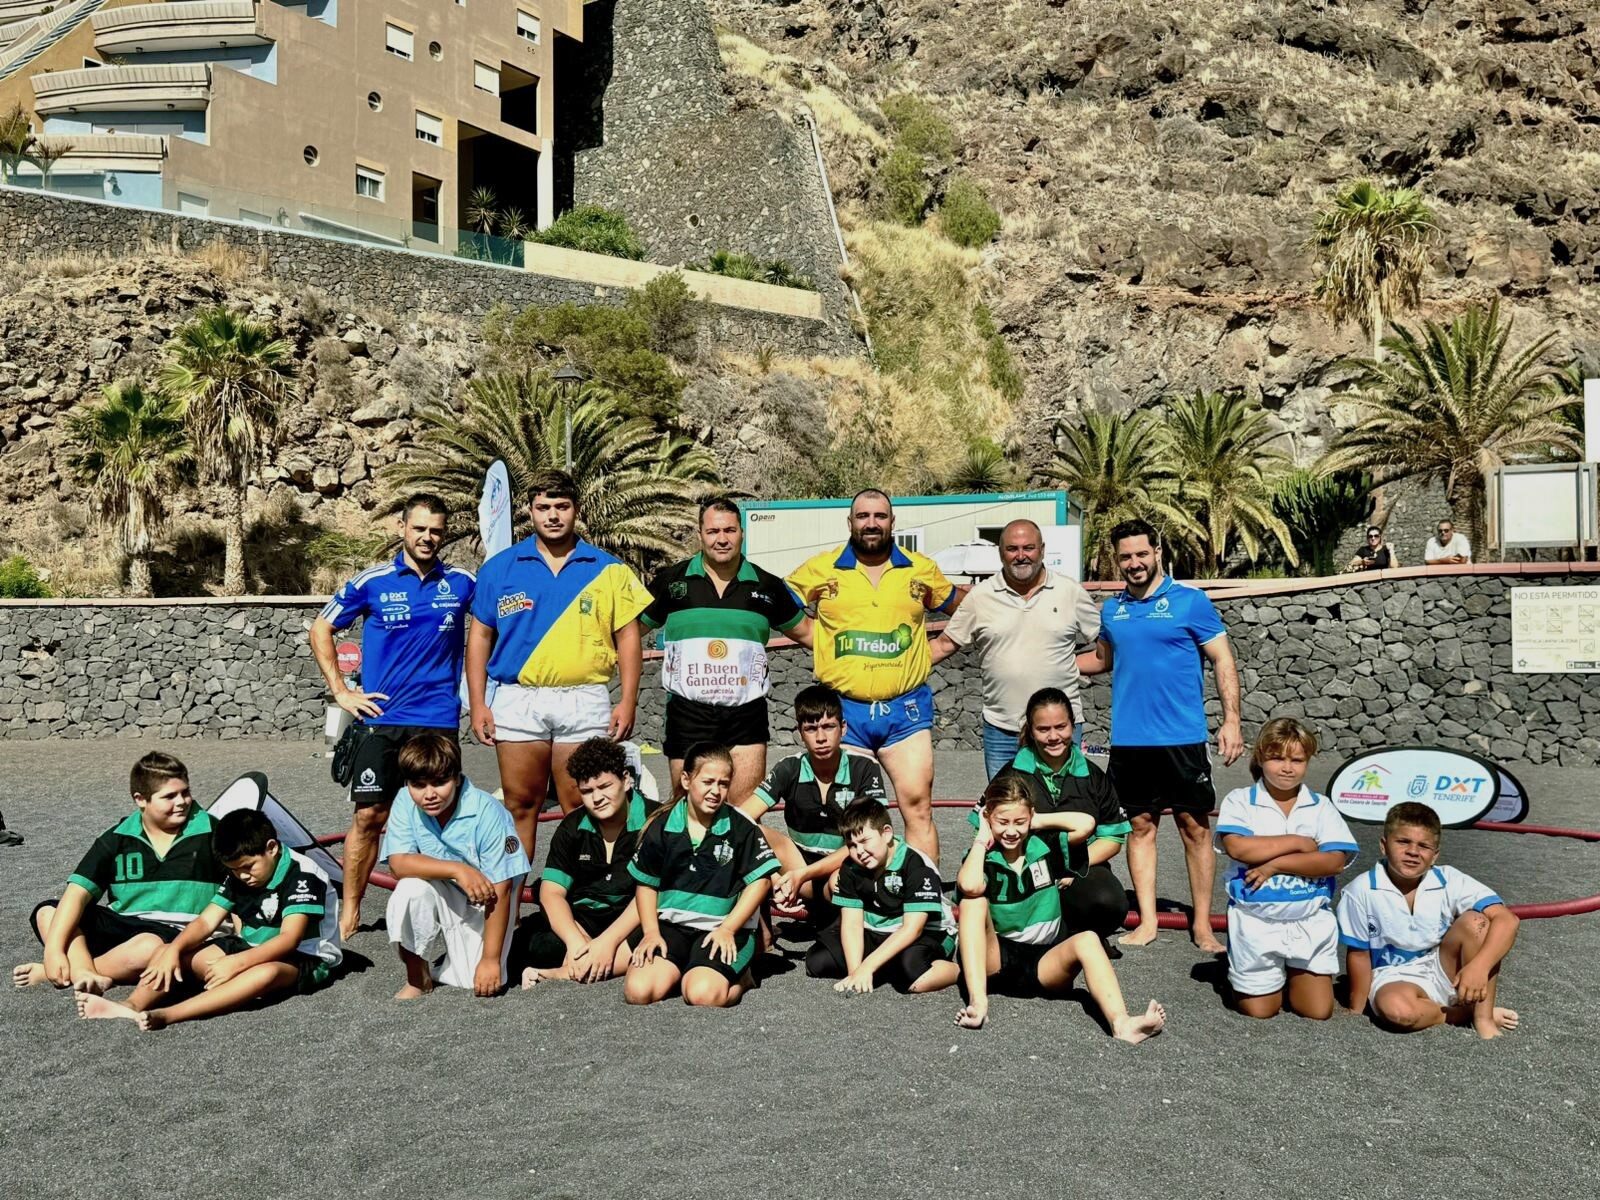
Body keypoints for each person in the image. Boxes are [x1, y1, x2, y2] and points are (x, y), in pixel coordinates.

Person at [310, 493, 476, 941]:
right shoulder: (373, 581)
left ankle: (450, 908)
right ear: (402, 528)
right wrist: (342, 692)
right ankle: (351, 909)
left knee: (443, 814)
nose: (428, 537)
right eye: (419, 528)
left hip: (438, 720)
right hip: (382, 719)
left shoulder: (462, 582)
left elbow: (493, 629)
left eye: (436, 530)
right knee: (370, 817)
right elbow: (321, 628)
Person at [466, 469, 653, 857]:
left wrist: (628, 700)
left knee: (583, 805)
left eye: (561, 507)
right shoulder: (500, 568)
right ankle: (513, 903)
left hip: (584, 699)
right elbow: (480, 637)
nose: (552, 515)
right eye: (543, 507)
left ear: (576, 510)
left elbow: (629, 638)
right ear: (529, 512)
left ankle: (583, 903)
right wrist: (479, 703)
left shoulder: (609, 569)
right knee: (520, 805)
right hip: (517, 699)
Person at [1077, 518, 1243, 953]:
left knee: (1195, 828)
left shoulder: (1191, 603)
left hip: (1182, 741)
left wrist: (1231, 721)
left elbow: (1223, 661)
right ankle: (1148, 921)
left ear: (1157, 552)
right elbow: (1101, 660)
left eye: (1141, 554)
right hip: (1130, 742)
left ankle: (1203, 925)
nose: (1134, 563)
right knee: (1140, 827)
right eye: (1126, 556)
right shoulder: (1112, 610)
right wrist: (1040, 660)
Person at [785, 489, 965, 861]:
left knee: (917, 807)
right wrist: (816, 640)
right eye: (863, 516)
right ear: (850, 522)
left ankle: (923, 898)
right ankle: (859, 898)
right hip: (846, 712)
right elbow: (779, 603)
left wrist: (943, 645)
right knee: (850, 815)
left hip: (906, 711)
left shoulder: (920, 569)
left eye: (879, 516)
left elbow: (965, 607)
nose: (871, 523)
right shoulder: (822, 567)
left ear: (892, 522)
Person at [74, 809, 342, 1030]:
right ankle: (131, 1005)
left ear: (271, 848)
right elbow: (205, 922)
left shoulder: (303, 875)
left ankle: (171, 1014)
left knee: (265, 973)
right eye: (234, 871)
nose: (243, 876)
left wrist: (236, 963)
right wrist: (175, 949)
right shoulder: (240, 873)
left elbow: (289, 939)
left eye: (248, 867)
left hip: (303, 957)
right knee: (171, 951)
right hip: (247, 946)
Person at [953, 776, 1166, 1042]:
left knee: (1088, 939)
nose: (1011, 831)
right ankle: (978, 1003)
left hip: (1046, 961)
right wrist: (981, 839)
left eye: (1019, 822)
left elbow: (1086, 824)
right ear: (987, 818)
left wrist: (1036, 820)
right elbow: (970, 885)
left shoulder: (1044, 846)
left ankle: (1122, 1023)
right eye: (1002, 822)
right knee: (974, 902)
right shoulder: (984, 856)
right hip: (997, 960)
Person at [642, 497, 813, 801]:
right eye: (713, 531)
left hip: (746, 716)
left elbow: (811, 634)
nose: (722, 539)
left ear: (742, 533)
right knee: (688, 813)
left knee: (744, 813)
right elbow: (629, 632)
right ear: (700, 534)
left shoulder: (768, 586)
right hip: (687, 713)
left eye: (730, 531)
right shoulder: (671, 582)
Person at [15, 752, 222, 994]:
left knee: (147, 946)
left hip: (177, 934)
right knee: (48, 911)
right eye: (170, 796)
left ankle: (80, 972)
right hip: (123, 926)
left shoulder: (214, 832)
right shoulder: (117, 837)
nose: (182, 802)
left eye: (185, 792)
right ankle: (82, 971)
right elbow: (77, 893)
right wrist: (53, 951)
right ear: (140, 799)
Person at [929, 518, 1101, 778]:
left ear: (1042, 550)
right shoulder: (980, 597)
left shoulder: (1070, 592)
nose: (1021, 556)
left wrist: (1069, 666)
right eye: (1012, 549)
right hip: (1002, 731)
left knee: (1064, 810)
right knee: (1006, 813)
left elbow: (1106, 645)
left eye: (1028, 548)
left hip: (1060, 728)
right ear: (1001, 554)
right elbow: (942, 645)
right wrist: (893, 671)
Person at [1214, 718, 1359, 1020]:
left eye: (1297, 760)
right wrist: (1300, 842)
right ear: (1260, 758)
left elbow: (1333, 862)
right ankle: (1247, 978)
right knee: (1261, 1012)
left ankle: (1289, 974)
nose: (1287, 767)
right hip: (1257, 920)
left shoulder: (1321, 806)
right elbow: (1239, 848)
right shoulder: (1240, 800)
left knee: (1317, 1011)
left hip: (1309, 921)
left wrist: (1275, 864)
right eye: (1277, 758)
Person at [1336, 802, 1520, 1039]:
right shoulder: (1360, 890)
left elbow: (1508, 920)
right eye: (1403, 842)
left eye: (1424, 846)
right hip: (1393, 975)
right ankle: (1461, 1015)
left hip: (1443, 966)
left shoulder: (1449, 879)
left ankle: (1482, 1018)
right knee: (1397, 1011)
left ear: (1435, 856)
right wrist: (1356, 1010)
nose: (1413, 852)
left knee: (1479, 922)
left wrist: (1479, 966)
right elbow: (1359, 954)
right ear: (1383, 846)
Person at [624, 744, 779, 1007]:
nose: (716, 791)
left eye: (723, 783)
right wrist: (650, 932)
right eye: (708, 781)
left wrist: (729, 928)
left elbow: (761, 881)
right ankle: (686, 966)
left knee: (701, 995)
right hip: (672, 927)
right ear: (686, 780)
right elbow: (646, 884)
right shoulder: (662, 825)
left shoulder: (741, 826)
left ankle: (742, 979)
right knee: (638, 992)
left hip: (723, 929)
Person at [382, 733, 531, 999]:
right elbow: (398, 863)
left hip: (491, 899)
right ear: (407, 784)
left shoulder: (487, 811)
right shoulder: (404, 800)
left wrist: (490, 959)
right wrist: (459, 869)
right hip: (450, 887)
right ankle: (418, 978)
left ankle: (486, 952)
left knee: (473, 981)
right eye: (419, 785)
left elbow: (503, 888)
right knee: (407, 891)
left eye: (440, 783)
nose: (429, 794)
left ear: (457, 777)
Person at [983, 687, 1131, 942]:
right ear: (1030, 730)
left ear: (1073, 726)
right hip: (1023, 866)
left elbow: (1113, 840)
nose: (1053, 736)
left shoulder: (1094, 777)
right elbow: (984, 823)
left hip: (1080, 866)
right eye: (1043, 729)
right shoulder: (1012, 773)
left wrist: (1070, 870)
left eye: (1060, 727)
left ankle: (1078, 935)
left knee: (1109, 902)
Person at [516, 737, 655, 987]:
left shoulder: (655, 822)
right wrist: (576, 942)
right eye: (587, 791)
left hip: (636, 915)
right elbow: (551, 893)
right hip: (584, 917)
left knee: (663, 938)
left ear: (626, 780)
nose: (597, 798)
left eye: (605, 786)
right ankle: (588, 961)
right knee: (536, 945)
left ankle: (567, 971)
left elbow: (652, 893)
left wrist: (607, 942)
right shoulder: (572, 826)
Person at [739, 684, 888, 911]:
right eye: (811, 729)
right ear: (800, 733)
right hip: (798, 866)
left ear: (843, 728)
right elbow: (740, 819)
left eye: (829, 727)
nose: (821, 738)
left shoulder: (865, 768)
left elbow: (871, 837)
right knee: (747, 830)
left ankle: (840, 929)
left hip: (847, 865)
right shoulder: (789, 767)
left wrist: (801, 875)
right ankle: (759, 932)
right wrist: (772, 876)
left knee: (843, 875)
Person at [805, 798, 959, 996]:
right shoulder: (850, 867)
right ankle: (883, 966)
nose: (859, 852)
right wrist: (855, 972)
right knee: (817, 962)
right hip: (876, 929)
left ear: (886, 833)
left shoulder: (916, 865)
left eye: (864, 841)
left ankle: (960, 972)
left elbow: (913, 928)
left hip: (924, 932)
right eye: (851, 845)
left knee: (912, 973)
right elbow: (852, 923)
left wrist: (867, 966)